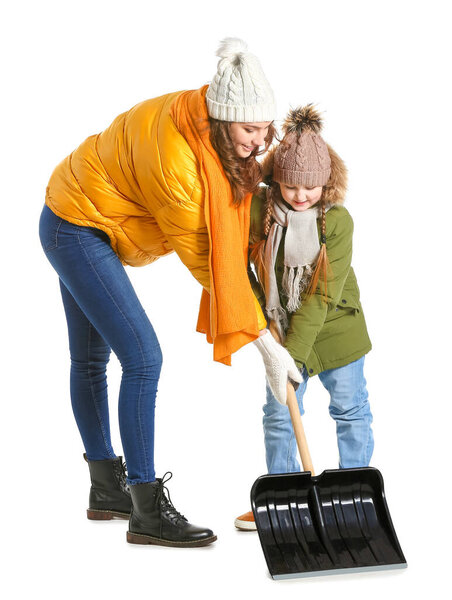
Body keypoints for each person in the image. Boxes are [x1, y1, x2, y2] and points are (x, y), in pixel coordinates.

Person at [39, 37, 301, 548]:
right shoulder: (179, 159)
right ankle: (144, 509)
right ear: (224, 118)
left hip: (86, 213)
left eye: (265, 127)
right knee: (143, 359)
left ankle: (105, 491)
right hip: (75, 226)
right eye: (250, 130)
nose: (259, 139)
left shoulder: (207, 124)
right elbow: (210, 262)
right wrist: (266, 347)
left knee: (94, 361)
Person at [234, 105, 374, 531]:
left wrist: (289, 355)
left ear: (326, 182)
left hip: (336, 330)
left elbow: (321, 295)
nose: (300, 196)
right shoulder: (260, 213)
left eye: (310, 186)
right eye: (291, 185)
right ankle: (284, 500)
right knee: (278, 414)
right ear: (276, 178)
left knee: (350, 410)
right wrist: (263, 324)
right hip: (280, 329)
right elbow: (239, 266)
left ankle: (354, 498)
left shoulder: (338, 222)